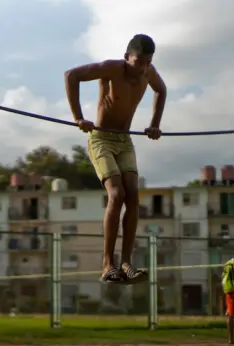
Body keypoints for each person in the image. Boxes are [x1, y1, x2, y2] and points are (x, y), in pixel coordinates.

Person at [64, 34, 167, 283]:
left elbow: (161, 91)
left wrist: (154, 124)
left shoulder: (148, 72)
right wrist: (78, 117)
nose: (142, 68)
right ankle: (107, 264)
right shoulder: (112, 68)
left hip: (124, 141)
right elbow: (71, 75)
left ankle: (126, 262)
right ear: (126, 57)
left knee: (133, 194)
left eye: (147, 63)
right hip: (101, 139)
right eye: (138, 62)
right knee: (117, 194)